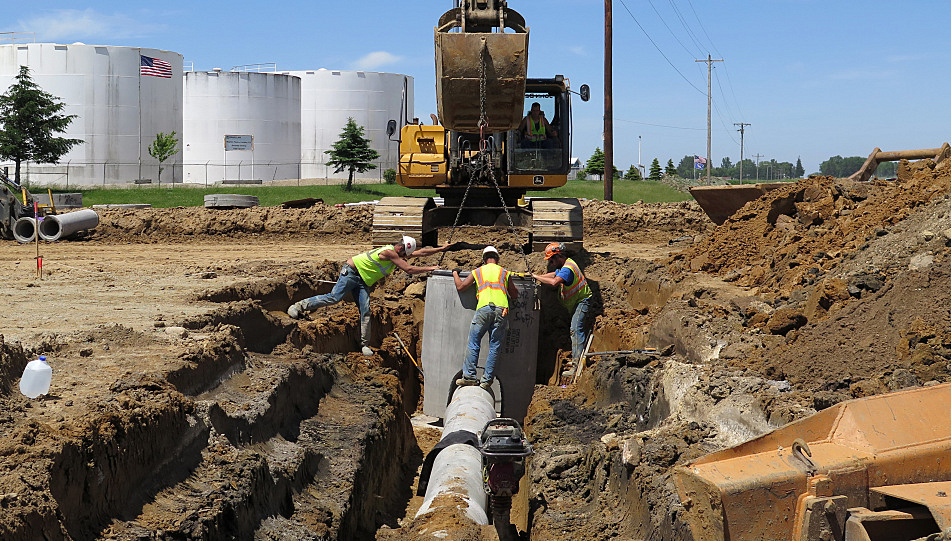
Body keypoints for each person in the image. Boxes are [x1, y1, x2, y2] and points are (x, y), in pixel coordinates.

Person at [288, 236, 450, 356]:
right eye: (406, 254)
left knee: (365, 311)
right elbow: (409, 269)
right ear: (401, 249)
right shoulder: (390, 253)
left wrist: (441, 249)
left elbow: (420, 253)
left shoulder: (397, 252)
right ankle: (298, 306)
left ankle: (364, 345)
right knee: (334, 298)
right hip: (351, 273)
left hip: (363, 281)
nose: (407, 256)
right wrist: (430, 268)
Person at [452, 246, 519, 390]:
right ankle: (487, 380)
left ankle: (469, 376)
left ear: (484, 259)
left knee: (474, 342)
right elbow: (514, 294)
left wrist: (455, 274)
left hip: (483, 308)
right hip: (502, 310)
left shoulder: (478, 271)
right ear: (497, 258)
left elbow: (461, 287)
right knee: (495, 346)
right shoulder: (504, 272)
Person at [532, 242, 593, 375]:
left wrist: (537, 277)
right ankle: (577, 359)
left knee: (575, 329)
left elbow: (554, 282)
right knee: (575, 329)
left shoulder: (567, 268)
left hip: (582, 302)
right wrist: (535, 276)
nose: (551, 263)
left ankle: (577, 366)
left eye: (552, 260)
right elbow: (554, 274)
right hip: (578, 302)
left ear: (559, 256)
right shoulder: (566, 264)